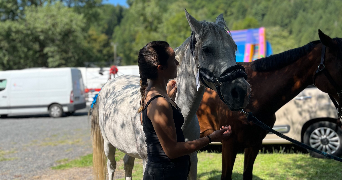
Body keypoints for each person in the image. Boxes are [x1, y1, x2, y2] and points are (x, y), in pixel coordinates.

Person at [138, 41, 232, 180]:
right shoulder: (159, 102)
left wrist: (170, 98)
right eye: (172, 59)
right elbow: (172, 150)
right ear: (160, 68)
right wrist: (211, 137)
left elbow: (149, 125)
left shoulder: (153, 95)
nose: (177, 63)